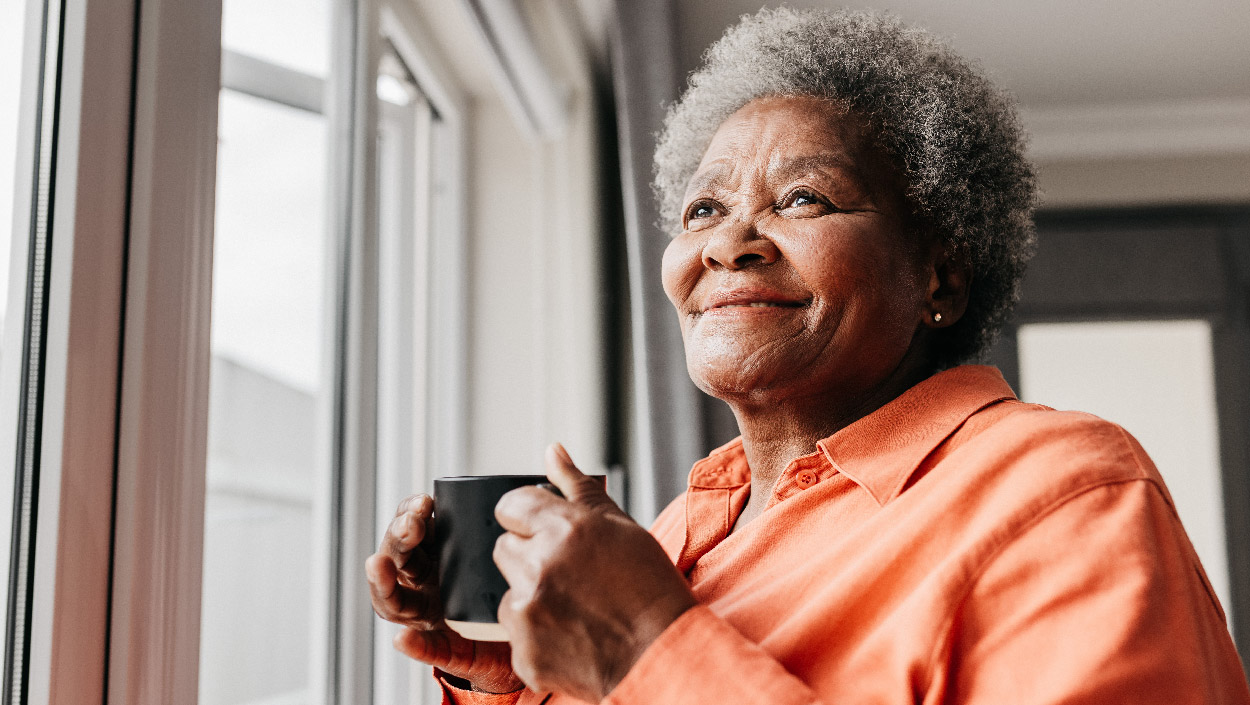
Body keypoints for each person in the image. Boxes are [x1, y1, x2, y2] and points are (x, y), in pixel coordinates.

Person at [365, 8, 1250, 704]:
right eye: (703, 210)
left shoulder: (1061, 488)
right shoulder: (676, 530)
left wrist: (646, 643)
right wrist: (513, 672)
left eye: (803, 198)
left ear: (937, 274)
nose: (729, 244)